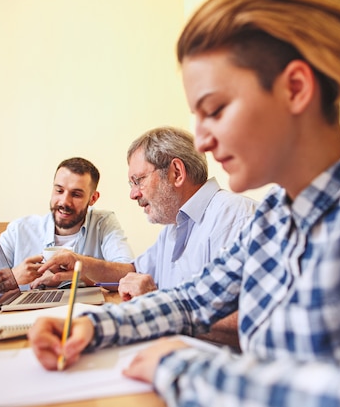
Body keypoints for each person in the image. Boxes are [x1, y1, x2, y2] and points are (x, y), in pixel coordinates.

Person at [28, 0, 340, 406]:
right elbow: (191, 301)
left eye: (215, 110)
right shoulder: (275, 215)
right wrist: (94, 328)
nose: (203, 142)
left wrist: (181, 368)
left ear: (295, 88)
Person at [35, 126, 257, 346]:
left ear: (177, 173)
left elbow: (255, 322)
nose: (133, 194)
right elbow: (132, 272)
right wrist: (79, 263)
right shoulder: (173, 228)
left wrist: (157, 302)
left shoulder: (235, 218)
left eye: (138, 180)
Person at [0, 157, 134, 292]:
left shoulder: (104, 223)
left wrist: (83, 277)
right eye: (59, 190)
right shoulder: (20, 230)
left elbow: (128, 274)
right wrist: (12, 278)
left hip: (84, 318)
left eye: (76, 194)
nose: (64, 201)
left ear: (93, 198)